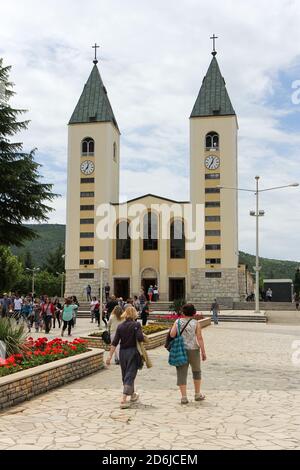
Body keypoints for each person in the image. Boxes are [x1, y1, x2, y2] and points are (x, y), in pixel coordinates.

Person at [106, 306, 145, 409]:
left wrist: (109, 356)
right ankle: (123, 400)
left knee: (125, 375)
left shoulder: (120, 326)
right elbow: (140, 338)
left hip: (122, 353)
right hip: (132, 352)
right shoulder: (136, 325)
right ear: (134, 314)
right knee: (130, 375)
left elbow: (114, 342)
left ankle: (132, 395)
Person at [169, 303, 207, 405]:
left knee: (181, 373)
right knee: (196, 371)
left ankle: (184, 397)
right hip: (194, 349)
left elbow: (172, 334)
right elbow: (199, 338)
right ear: (193, 312)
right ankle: (197, 394)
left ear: (183, 312)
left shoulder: (177, 322)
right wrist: (203, 352)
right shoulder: (196, 323)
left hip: (181, 349)